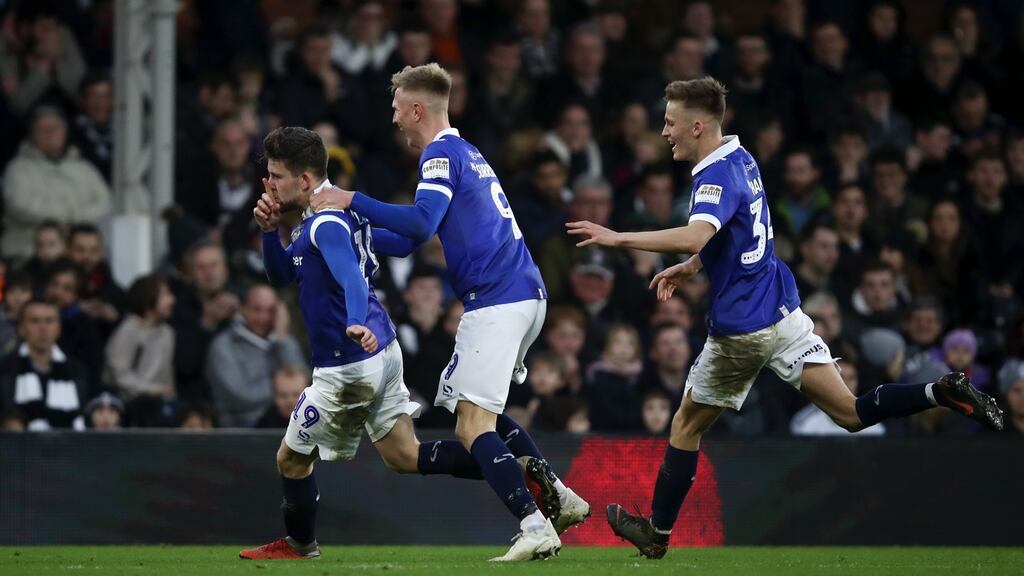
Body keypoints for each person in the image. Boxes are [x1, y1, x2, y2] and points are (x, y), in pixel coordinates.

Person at [566, 76, 1004, 559]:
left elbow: (696, 234)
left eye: (670, 122)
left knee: (685, 427)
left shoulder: (712, 175)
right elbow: (732, 234)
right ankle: (938, 391)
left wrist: (617, 238)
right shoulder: (742, 157)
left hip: (743, 331)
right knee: (850, 413)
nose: (664, 131)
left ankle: (658, 534)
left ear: (696, 125)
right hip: (784, 312)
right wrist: (693, 268)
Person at [240, 126, 585, 563]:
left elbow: (348, 274)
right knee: (405, 455)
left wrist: (352, 320)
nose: (268, 184)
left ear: (305, 181)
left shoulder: (326, 221)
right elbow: (292, 272)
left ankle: (300, 545)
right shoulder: (330, 217)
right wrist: (270, 232)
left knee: (291, 459)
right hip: (383, 351)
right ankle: (517, 472)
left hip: (347, 365)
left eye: (276, 175)